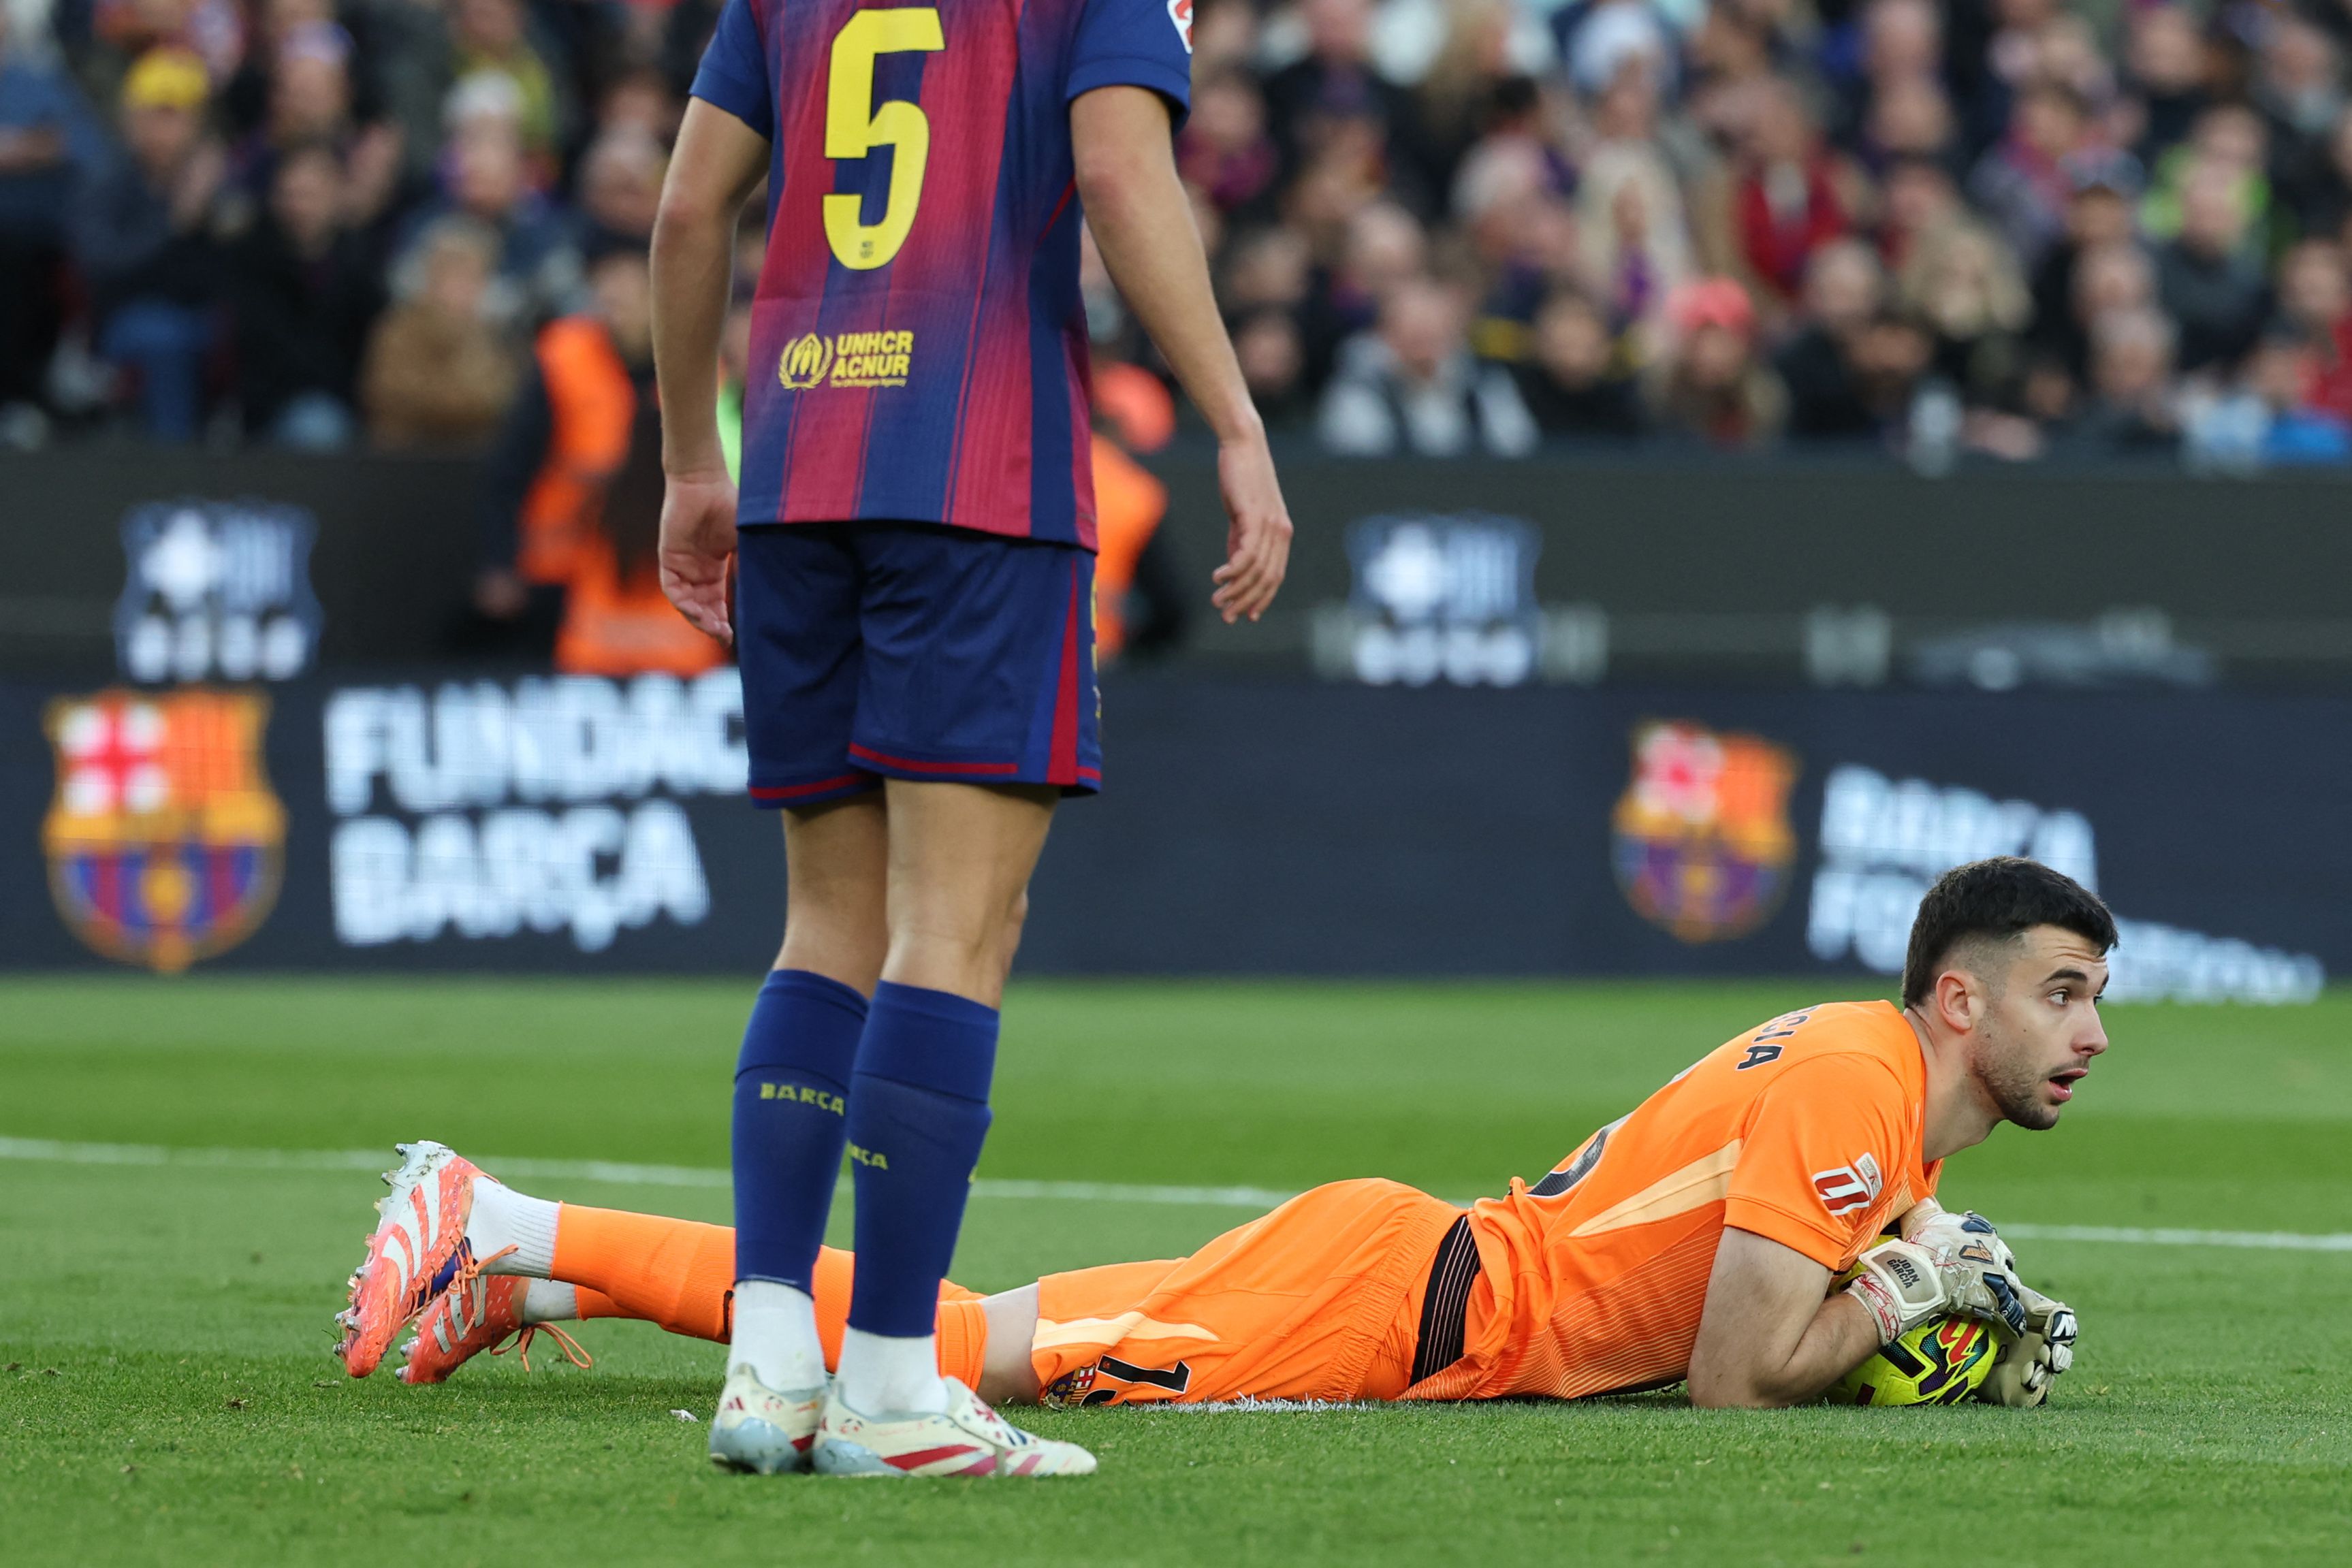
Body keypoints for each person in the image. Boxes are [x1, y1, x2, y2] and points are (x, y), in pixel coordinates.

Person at [334, 0, 1295, 1487]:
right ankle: (896, 1384)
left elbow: (684, 210)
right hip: (980, 472)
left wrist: (688, 460)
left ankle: (772, 1364)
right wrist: (1231, 418)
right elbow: (1115, 171)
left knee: (826, 923)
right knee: (954, 926)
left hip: (799, 467)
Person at [351, 857, 2096, 1424]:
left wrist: (1904, 1282)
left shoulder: (1870, 1075)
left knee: (957, 1322)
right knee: (952, 1353)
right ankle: (491, 1212)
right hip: (1396, 1308)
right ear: (1960, 1001)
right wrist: (1899, 1307)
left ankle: (516, 1270)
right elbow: (1730, 1381)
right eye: (2064, 994)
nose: (2087, 1036)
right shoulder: (1864, 1090)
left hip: (1406, 1271)